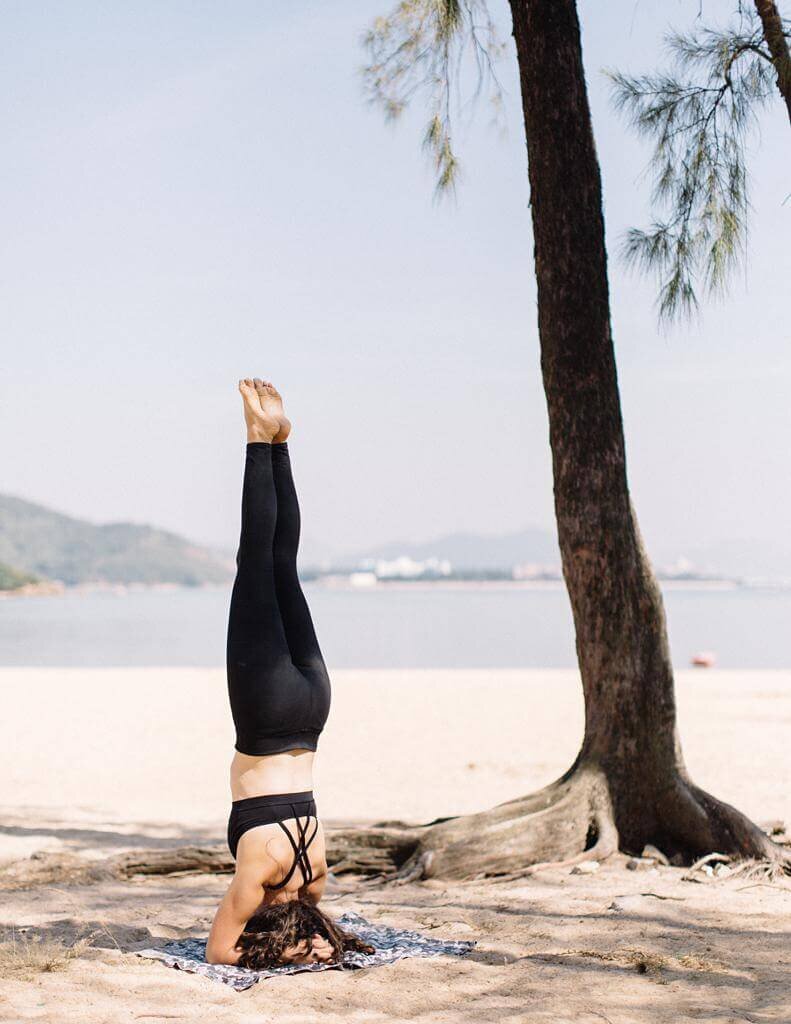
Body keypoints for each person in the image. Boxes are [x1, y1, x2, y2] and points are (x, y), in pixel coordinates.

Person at [206, 379, 371, 968]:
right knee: (257, 561)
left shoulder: (315, 873)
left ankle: (280, 446)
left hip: (312, 709)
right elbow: (221, 951)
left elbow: (311, 922)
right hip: (269, 711)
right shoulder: (260, 875)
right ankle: (259, 440)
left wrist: (311, 943)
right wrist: (282, 954)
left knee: (282, 566)